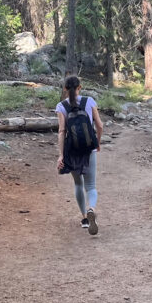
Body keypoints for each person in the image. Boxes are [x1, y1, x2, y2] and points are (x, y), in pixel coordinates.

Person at [55, 76, 103, 235]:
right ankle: (92, 208)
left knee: (78, 184)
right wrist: (98, 142)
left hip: (72, 150)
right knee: (91, 185)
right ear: (80, 88)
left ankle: (84, 218)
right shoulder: (89, 101)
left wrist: (61, 155)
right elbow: (99, 125)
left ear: (65, 89)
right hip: (88, 148)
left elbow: (62, 131)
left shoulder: (61, 106)